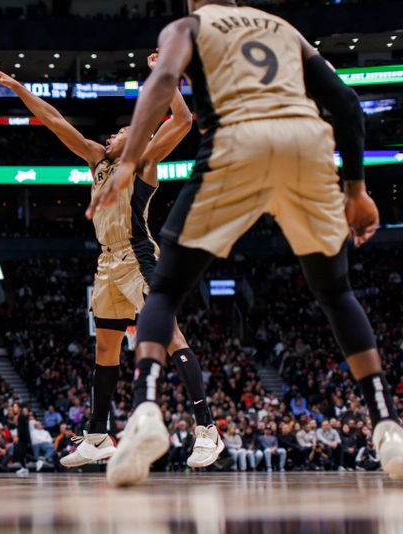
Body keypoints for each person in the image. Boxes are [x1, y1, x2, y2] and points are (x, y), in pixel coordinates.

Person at [87, 0, 403, 486]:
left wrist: (129, 160)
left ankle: (147, 412)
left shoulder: (189, 25)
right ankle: (388, 427)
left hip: (239, 141)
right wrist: (357, 189)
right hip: (306, 141)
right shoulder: (283, 26)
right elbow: (343, 101)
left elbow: (162, 81)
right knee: (337, 292)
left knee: (166, 289)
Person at [0, 54, 223, 472]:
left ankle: (207, 428)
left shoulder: (144, 161)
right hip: (107, 263)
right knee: (106, 348)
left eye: (120, 132)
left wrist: (163, 74)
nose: (111, 135)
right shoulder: (97, 160)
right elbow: (56, 121)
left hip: (139, 256)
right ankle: (97, 435)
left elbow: (182, 122)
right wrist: (20, 89)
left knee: (168, 334)